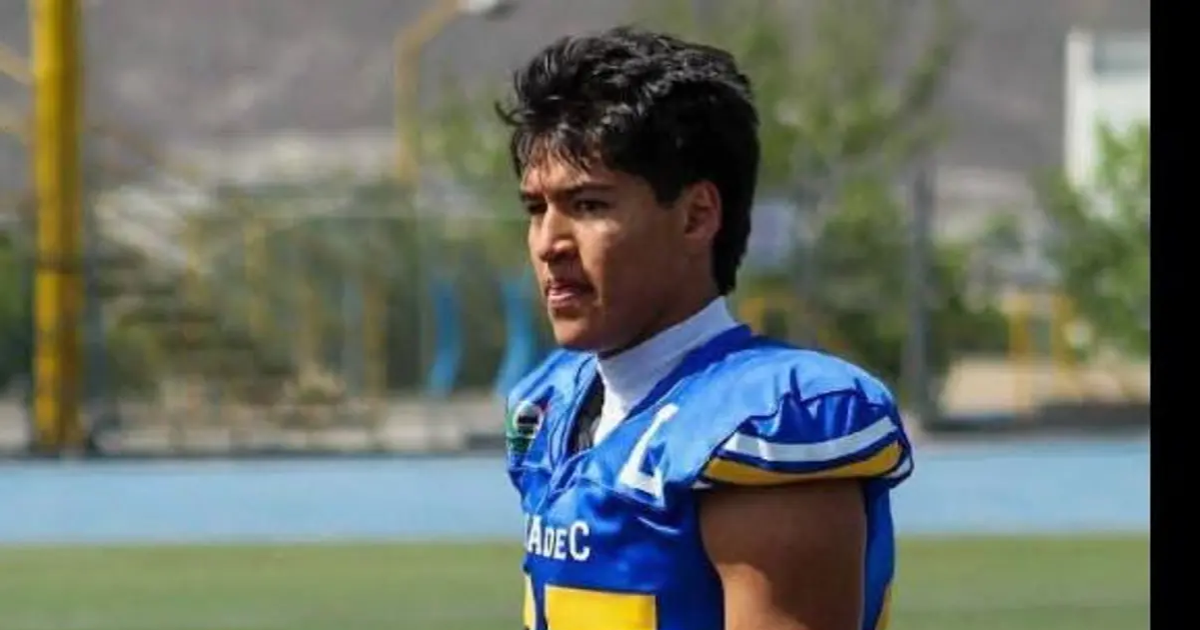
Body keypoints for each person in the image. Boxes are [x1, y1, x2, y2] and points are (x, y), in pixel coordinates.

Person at [499, 26, 914, 630]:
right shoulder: (552, 405)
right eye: (537, 209)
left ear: (696, 217)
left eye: (589, 205)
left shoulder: (762, 422)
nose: (549, 243)